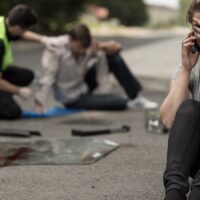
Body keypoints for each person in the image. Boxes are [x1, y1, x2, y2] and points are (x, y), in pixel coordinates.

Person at [32, 24, 157, 113]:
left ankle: (135, 97)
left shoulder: (87, 46)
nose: (82, 52)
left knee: (114, 58)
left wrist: (103, 45)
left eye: (84, 49)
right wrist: (40, 101)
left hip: (82, 85)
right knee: (118, 102)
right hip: (70, 98)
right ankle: (123, 101)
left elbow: (118, 48)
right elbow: (48, 77)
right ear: (71, 40)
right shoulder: (56, 48)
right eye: (80, 48)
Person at [160, 1, 200, 199]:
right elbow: (168, 120)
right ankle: (174, 191)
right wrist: (186, 69)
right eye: (198, 26)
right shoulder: (189, 64)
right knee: (189, 109)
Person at [0, 4, 37, 119]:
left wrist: (44, 40)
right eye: (25, 30)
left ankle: (4, 95)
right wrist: (19, 91)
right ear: (17, 28)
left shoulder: (4, 22)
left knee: (26, 75)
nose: (25, 33)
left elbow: (24, 35)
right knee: (13, 112)